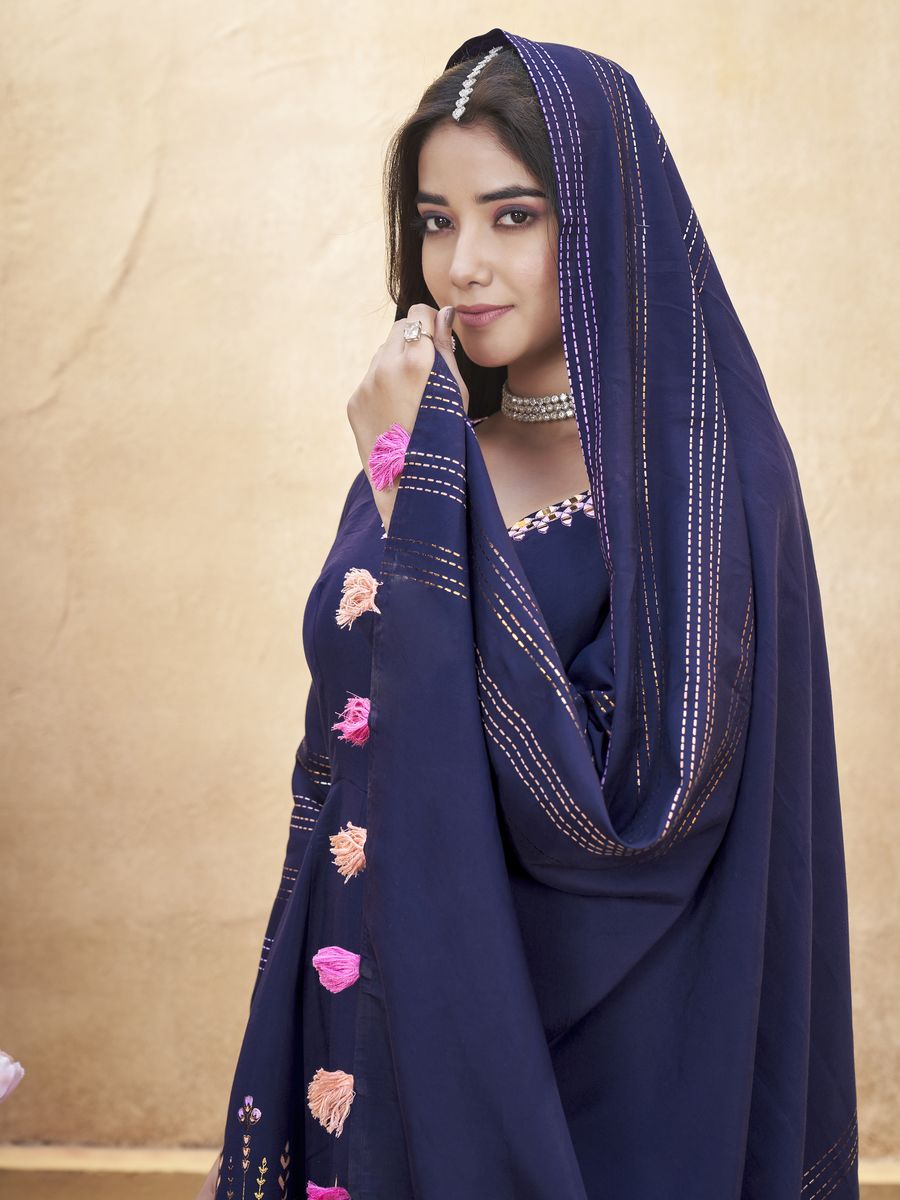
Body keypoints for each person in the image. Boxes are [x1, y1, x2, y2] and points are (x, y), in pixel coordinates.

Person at [197, 28, 859, 1200]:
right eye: (435, 220)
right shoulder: (436, 448)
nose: (462, 266)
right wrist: (415, 469)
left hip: (605, 1071)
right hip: (380, 1015)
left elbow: (629, 817)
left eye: (513, 216)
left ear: (604, 222)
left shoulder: (700, 487)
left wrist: (413, 480)